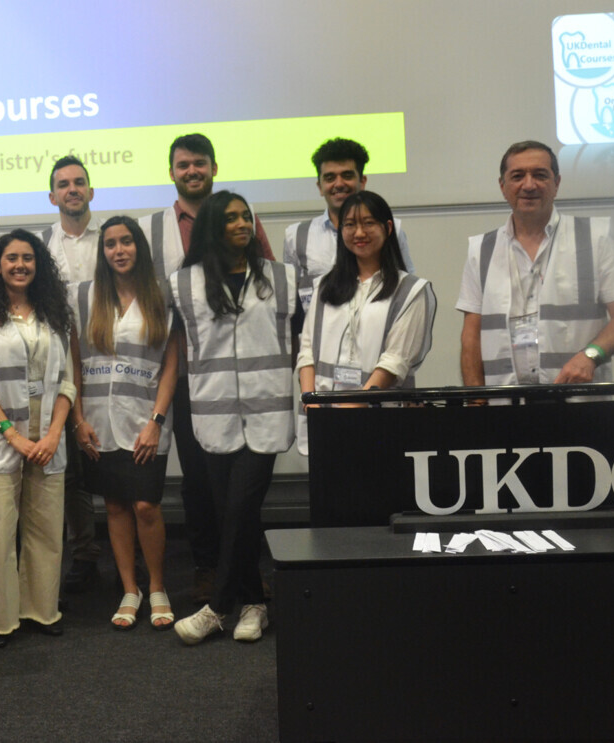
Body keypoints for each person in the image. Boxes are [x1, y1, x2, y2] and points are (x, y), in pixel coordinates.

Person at [138, 133, 277, 605]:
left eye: (200, 163)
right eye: (183, 165)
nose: (192, 171)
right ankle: (207, 566)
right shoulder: (152, 226)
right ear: (171, 172)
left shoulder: (241, 217)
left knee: (241, 482)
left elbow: (269, 283)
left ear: (214, 167)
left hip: (241, 372)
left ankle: (244, 572)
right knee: (198, 477)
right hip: (179, 369)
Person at [169, 191, 298, 645]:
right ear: (211, 226)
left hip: (266, 412)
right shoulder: (184, 284)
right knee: (231, 516)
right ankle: (255, 606)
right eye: (231, 219)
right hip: (214, 414)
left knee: (242, 506)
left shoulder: (283, 279)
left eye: (246, 216)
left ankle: (217, 607)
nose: (243, 224)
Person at [0, 229, 76, 648]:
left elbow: (67, 382)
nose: (20, 265)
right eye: (11, 258)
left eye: (28, 258)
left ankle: (41, 610)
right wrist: (15, 437)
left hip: (47, 435)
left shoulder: (55, 314)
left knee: (46, 529)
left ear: (38, 265)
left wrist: (51, 434)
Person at [68, 216, 180, 630]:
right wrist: (77, 420)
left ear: (139, 247)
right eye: (111, 244)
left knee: (146, 506)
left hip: (145, 422)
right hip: (97, 422)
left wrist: (156, 420)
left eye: (127, 242)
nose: (119, 250)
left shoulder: (161, 298)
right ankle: (129, 589)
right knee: (114, 505)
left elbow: (171, 364)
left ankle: (157, 588)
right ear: (103, 252)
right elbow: (73, 364)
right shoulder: (83, 297)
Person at [457, 141, 614, 387]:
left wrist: (590, 356)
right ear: (503, 186)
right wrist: (477, 402)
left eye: (540, 175)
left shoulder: (594, 239)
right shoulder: (480, 250)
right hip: (503, 407)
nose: (529, 184)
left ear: (557, 184)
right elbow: (471, 339)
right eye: (518, 176)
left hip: (578, 404)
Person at [295, 191, 437, 454]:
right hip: (323, 421)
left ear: (388, 227)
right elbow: (306, 351)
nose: (359, 232)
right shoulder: (326, 285)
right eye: (350, 224)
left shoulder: (411, 291)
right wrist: (311, 403)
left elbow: (394, 362)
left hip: (379, 422)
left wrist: (348, 411)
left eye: (368, 223)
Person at [40, 156, 103, 594]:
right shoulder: (40, 248)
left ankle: (127, 551)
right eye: (64, 184)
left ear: (91, 191)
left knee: (118, 466)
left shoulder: (114, 238)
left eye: (79, 182)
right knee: (73, 471)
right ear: (52, 196)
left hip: (114, 363)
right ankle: (83, 553)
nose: (72, 189)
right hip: (61, 368)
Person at [283, 138, 415, 313]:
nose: (339, 184)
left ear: (362, 181)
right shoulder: (296, 235)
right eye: (330, 178)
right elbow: (291, 303)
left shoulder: (390, 230)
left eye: (347, 175)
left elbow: (405, 289)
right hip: (317, 336)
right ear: (320, 186)